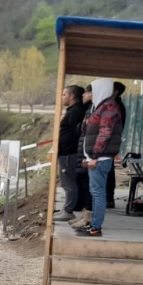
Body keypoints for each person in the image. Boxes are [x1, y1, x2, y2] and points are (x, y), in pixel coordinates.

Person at [77, 77, 124, 238]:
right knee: (95, 192)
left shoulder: (109, 107)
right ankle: (93, 225)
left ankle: (95, 227)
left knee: (98, 193)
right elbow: (90, 130)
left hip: (100, 158)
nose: (90, 93)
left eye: (93, 89)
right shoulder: (100, 106)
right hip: (96, 157)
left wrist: (95, 155)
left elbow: (105, 133)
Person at [54, 85, 87, 222]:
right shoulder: (72, 111)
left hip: (69, 152)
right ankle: (67, 208)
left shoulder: (76, 112)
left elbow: (76, 133)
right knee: (67, 181)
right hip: (66, 151)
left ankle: (68, 210)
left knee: (69, 182)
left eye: (64, 94)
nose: (62, 97)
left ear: (72, 96)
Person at [70, 84, 95, 229]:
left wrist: (91, 156)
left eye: (86, 92)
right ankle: (85, 214)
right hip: (84, 153)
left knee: (90, 187)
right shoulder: (89, 109)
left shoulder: (97, 110)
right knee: (84, 184)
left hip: (89, 155)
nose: (83, 95)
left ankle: (91, 220)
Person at [108, 81, 127, 209]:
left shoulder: (115, 106)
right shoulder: (116, 105)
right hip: (111, 142)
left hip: (109, 142)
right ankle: (108, 198)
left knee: (107, 171)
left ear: (115, 92)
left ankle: (108, 198)